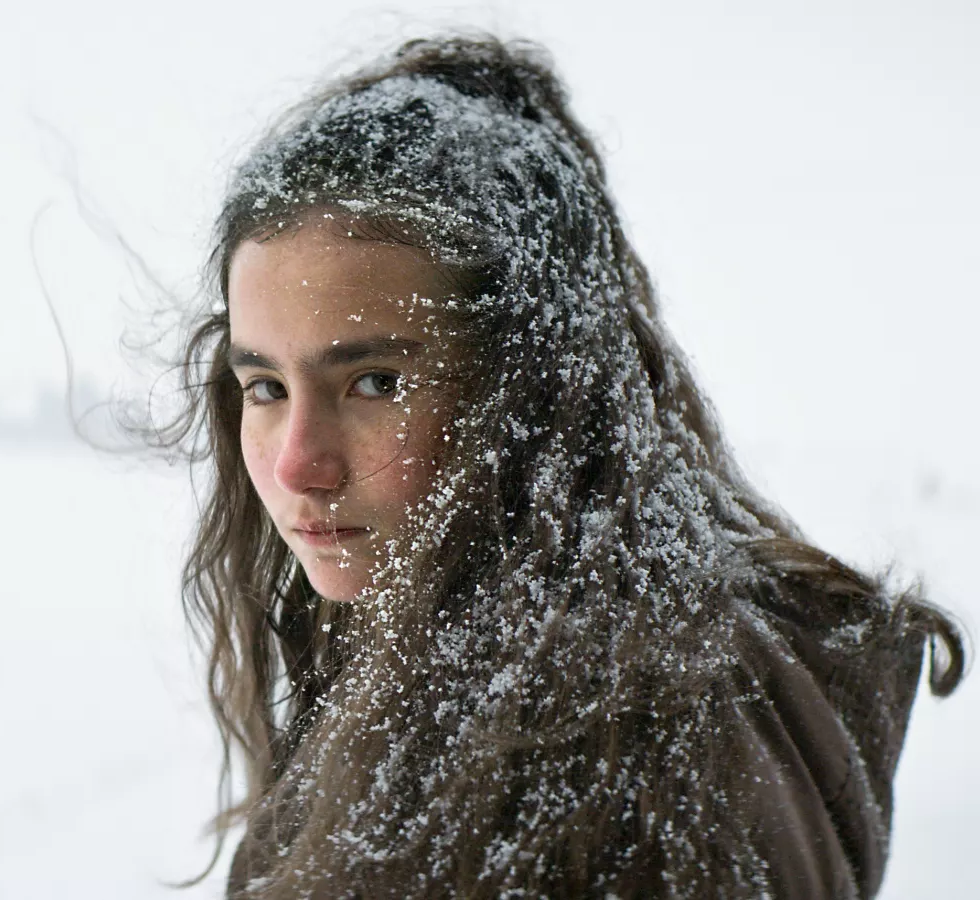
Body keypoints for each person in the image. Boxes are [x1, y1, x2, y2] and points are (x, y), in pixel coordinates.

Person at [145, 36, 966, 898]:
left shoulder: (594, 787)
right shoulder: (671, 658)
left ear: (535, 391)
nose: (297, 465)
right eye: (266, 387)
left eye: (376, 383)